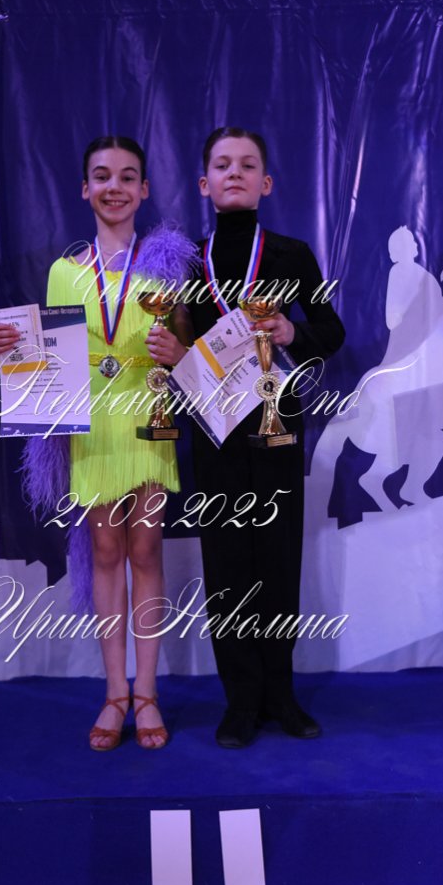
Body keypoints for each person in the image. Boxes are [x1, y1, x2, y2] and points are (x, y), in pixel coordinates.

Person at [148, 126, 345, 747]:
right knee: (227, 561)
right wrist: (173, 351)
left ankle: (281, 695)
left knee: (278, 558)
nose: (235, 172)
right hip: (215, 429)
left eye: (247, 164)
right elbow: (177, 344)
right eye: (223, 165)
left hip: (276, 425)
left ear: (266, 183)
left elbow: (332, 330)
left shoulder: (291, 254)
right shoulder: (187, 263)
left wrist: (291, 333)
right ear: (205, 184)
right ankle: (240, 701)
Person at [0, 136, 181, 751]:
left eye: (127, 176)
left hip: (147, 419)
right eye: (102, 176)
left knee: (145, 549)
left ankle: (147, 692)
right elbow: (51, 359)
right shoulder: (63, 272)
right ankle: (114, 692)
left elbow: (188, 351)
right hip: (91, 425)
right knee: (105, 549)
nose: (114, 186)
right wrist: (2, 355)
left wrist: (177, 351)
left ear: (144, 189)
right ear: (85, 189)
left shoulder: (167, 266)